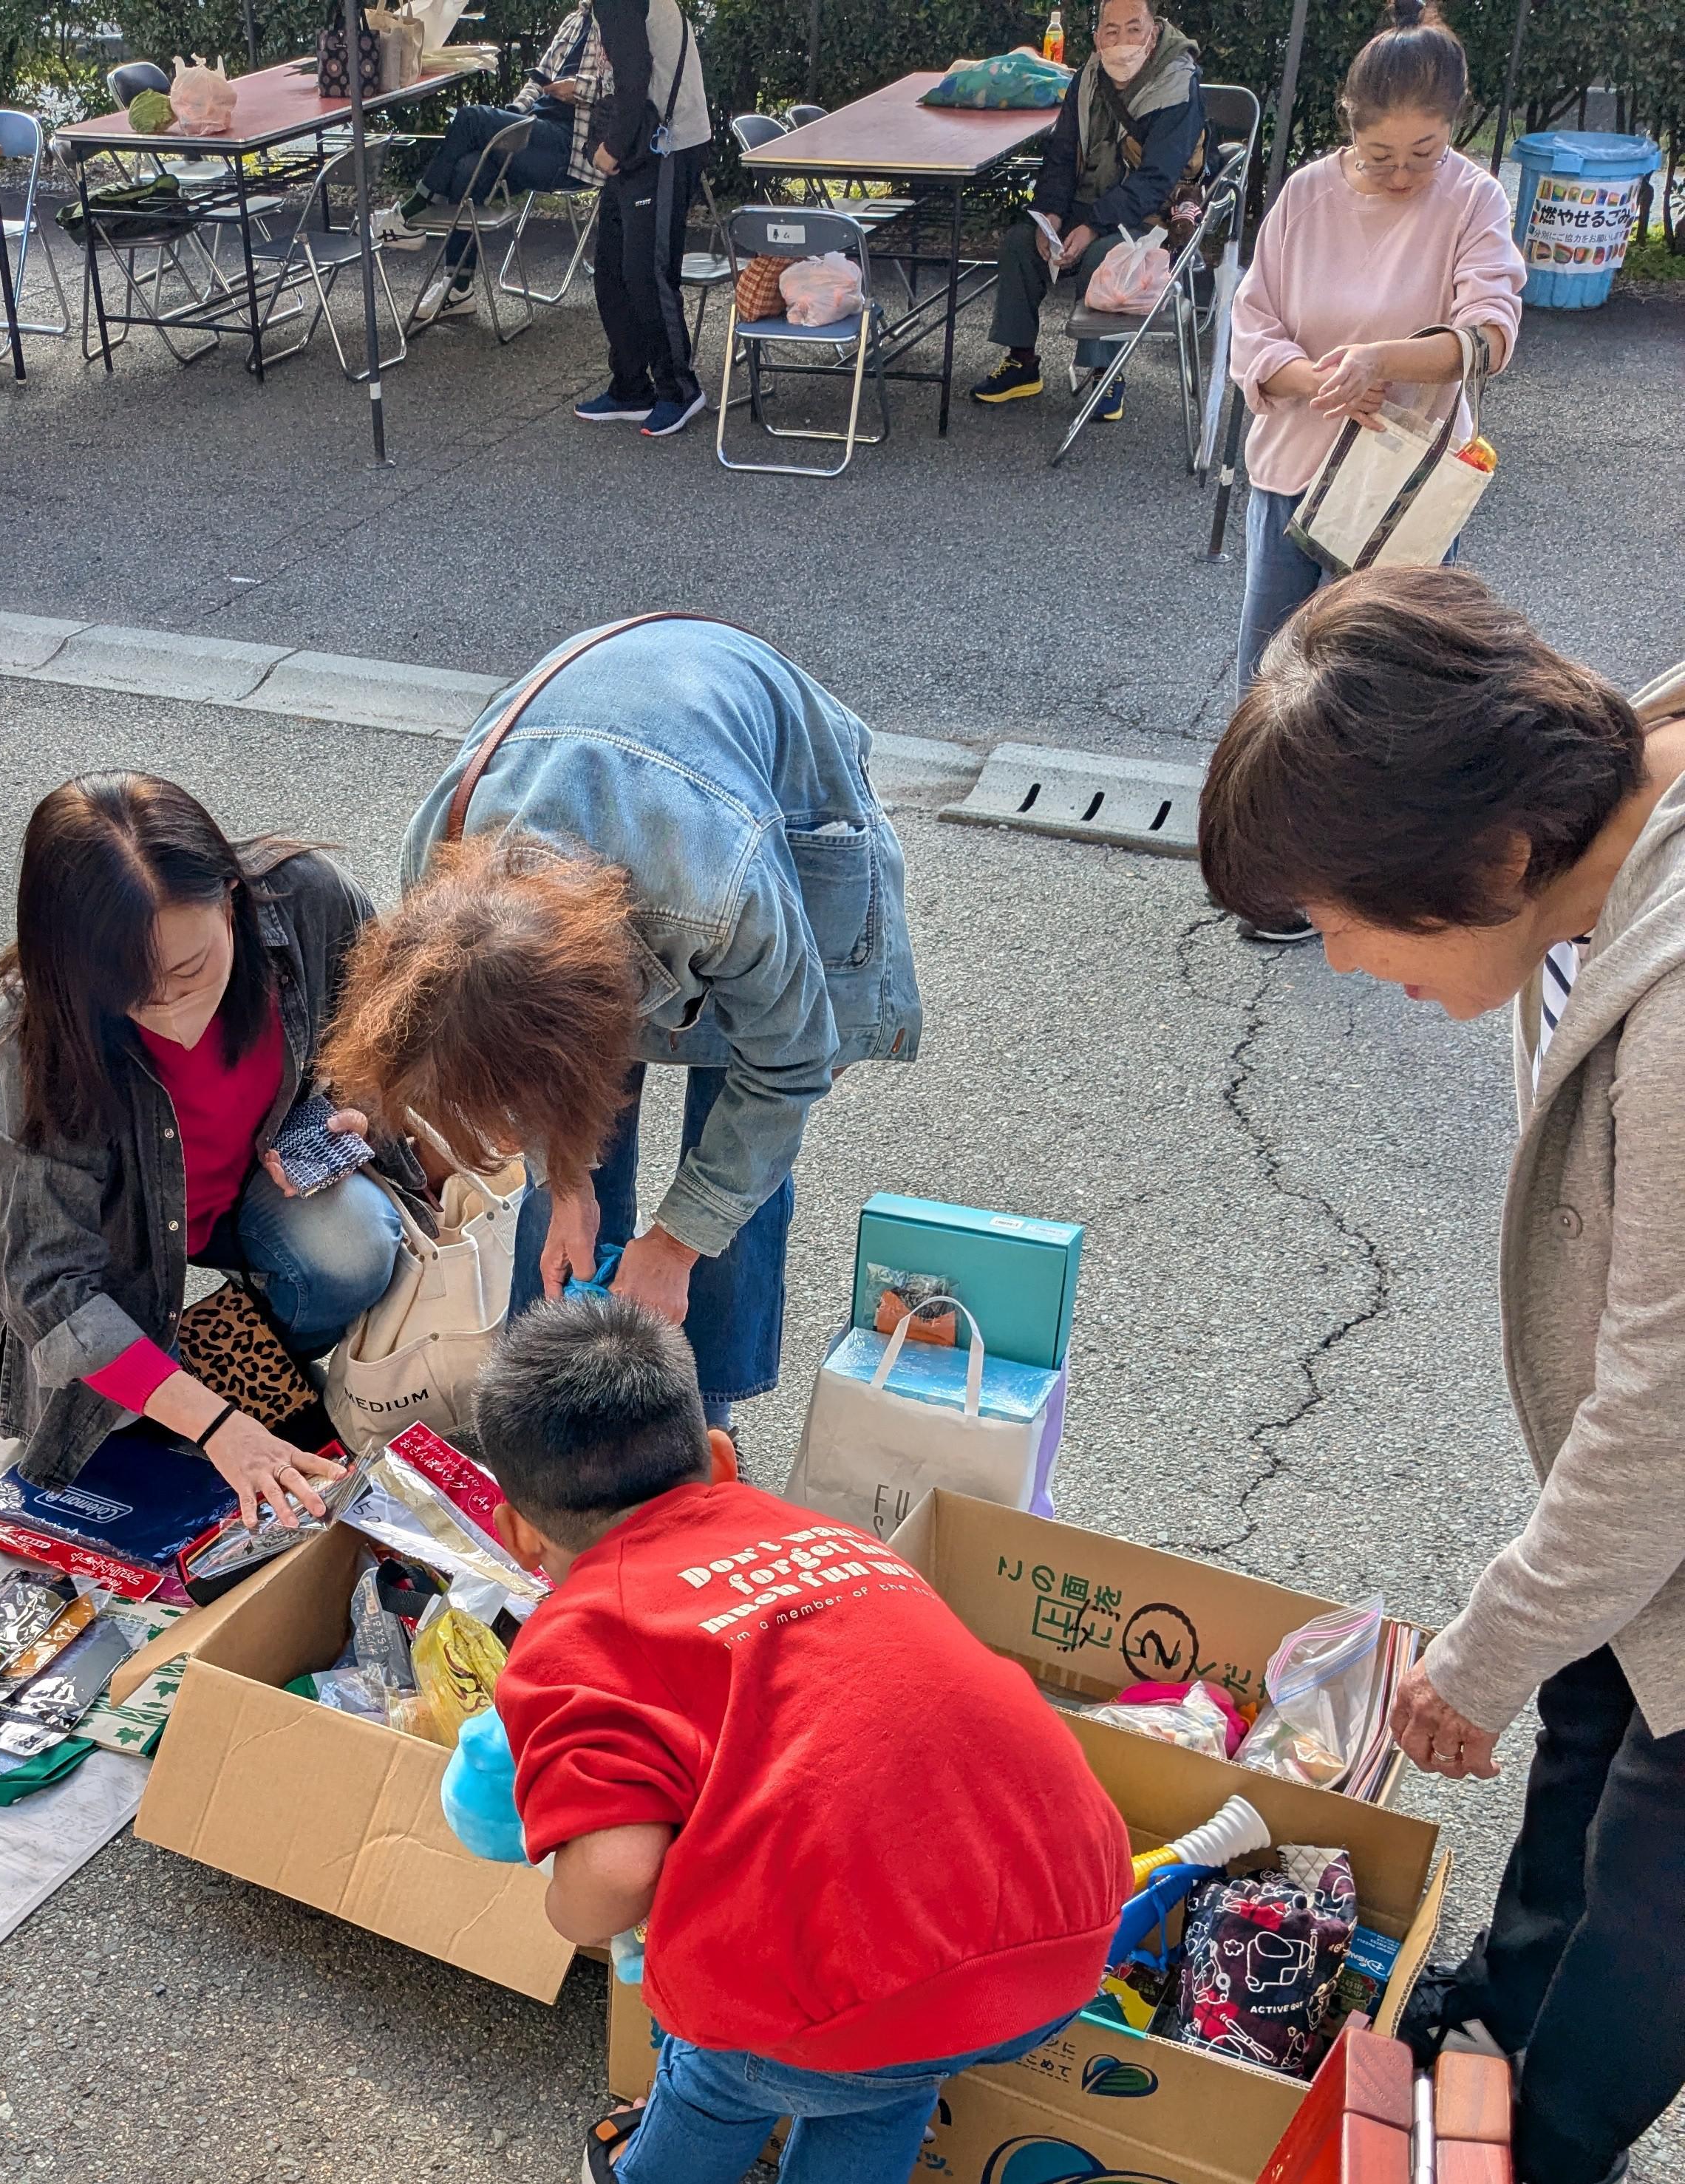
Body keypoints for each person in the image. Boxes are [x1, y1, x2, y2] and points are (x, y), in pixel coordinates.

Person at [1198, 568, 1685, 2184]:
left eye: (1341, 919)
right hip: (1633, 1548)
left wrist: (1473, 1656)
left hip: (1660, 1490)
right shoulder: (1614, 796)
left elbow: (1664, 1425)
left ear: (1490, 852)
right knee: (1587, 1732)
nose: (1338, 964)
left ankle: (1532, 2150)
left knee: (1656, 1909)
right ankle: (1491, 2011)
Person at [475, 1297, 1131, 2184]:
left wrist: (564, 1913)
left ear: (517, 1533)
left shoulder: (575, 1636)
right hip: (1070, 1932)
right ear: (718, 1462)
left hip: (834, 2005)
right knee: (889, 2077)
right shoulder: (828, 1537)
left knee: (716, 2073)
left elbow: (621, 1871)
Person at [321, 616, 922, 1437]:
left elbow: (787, 1073)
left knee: (735, 1148)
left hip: (772, 792)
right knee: (563, 1206)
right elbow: (528, 1078)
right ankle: (553, 1400)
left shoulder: (724, 894)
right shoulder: (438, 876)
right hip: (604, 803)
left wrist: (677, 1245)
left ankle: (699, 1415)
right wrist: (565, 1185)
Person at [0, 775, 422, 1517]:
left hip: (256, 1193)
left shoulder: (311, 899)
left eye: (189, 970)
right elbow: (49, 1284)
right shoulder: (42, 1032)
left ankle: (227, 1361)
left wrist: (354, 1107)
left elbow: (392, 1028)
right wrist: (216, 1424)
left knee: (354, 1246)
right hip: (120, 1250)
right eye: (128, 990)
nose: (173, 1013)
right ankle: (197, 1388)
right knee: (107, 1425)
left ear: (232, 899)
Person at [1226, 0, 1522, 696]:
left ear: (1455, 124)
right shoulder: (1305, 193)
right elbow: (1253, 323)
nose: (1400, 176)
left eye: (1425, 155)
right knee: (1271, 688)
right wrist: (1321, 381)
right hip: (1292, 468)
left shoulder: (1474, 198)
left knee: (1395, 694)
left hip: (1406, 479)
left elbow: (1490, 335)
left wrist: (1381, 361)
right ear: (1349, 126)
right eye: (1379, 155)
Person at [970, 0, 1205, 424]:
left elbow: (1157, 179)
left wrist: (1093, 227)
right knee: (1021, 243)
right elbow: (1061, 154)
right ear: (1097, 38)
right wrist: (1051, 215)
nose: (1122, 42)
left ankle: (1106, 373)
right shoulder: (1088, 76)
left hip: (1150, 213)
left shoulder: (1178, 83)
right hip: (1087, 200)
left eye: (1134, 30)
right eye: (1111, 31)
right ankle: (1021, 361)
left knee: (1104, 259)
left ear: (1153, 34)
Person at [372, 1, 613, 329]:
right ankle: (459, 288)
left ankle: (410, 216)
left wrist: (578, 89)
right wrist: (514, 111)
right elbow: (538, 80)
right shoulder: (576, 20)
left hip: (571, 150)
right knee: (468, 168)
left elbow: (627, 90)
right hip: (534, 133)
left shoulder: (621, 24)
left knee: (471, 118)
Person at [572, 0, 712, 439]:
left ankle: (679, 390)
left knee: (646, 273)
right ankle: (631, 386)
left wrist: (611, 146)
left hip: (666, 143)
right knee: (612, 269)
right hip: (648, 140)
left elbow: (634, 75)